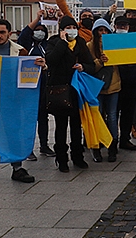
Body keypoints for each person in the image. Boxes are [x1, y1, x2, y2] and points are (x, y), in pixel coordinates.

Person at [0, 19, 42, 189]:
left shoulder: (21, 52)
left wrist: (40, 66)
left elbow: (29, 77)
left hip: (13, 101)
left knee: (15, 133)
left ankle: (18, 168)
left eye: (2, 32)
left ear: (9, 33)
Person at [45, 16, 96, 172]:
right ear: (62, 30)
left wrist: (83, 67)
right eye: (68, 28)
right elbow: (51, 60)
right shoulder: (54, 42)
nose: (72, 31)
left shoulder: (80, 43)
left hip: (76, 90)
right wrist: (63, 42)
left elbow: (91, 65)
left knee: (76, 126)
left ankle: (77, 156)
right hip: (60, 90)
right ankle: (61, 159)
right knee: (61, 126)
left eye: (74, 27)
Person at [17, 10, 55, 160]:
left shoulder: (47, 45)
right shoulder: (27, 44)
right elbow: (24, 34)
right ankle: (28, 149)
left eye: (42, 31)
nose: (39, 33)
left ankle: (44, 145)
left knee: (43, 117)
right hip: (28, 87)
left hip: (44, 86)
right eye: (37, 31)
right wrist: (37, 19)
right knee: (29, 119)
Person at [87, 18, 121, 162]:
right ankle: (96, 146)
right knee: (98, 116)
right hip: (97, 86)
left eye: (105, 30)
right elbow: (89, 67)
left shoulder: (114, 44)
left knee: (112, 116)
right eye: (100, 30)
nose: (103, 33)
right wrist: (100, 61)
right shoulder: (89, 46)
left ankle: (113, 145)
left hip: (113, 85)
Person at [114, 16, 136, 151]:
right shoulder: (110, 40)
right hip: (116, 82)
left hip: (132, 81)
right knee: (113, 113)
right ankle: (112, 140)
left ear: (128, 27)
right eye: (120, 26)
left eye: (124, 26)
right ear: (115, 27)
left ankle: (125, 139)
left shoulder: (134, 40)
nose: (122, 28)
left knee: (128, 112)